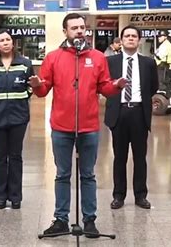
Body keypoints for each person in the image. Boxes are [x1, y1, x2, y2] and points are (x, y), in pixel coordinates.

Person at [29, 13, 126, 237]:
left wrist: (117, 86)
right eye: (74, 28)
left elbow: (105, 88)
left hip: (89, 127)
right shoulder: (53, 57)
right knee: (62, 174)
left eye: (82, 27)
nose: (80, 31)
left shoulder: (98, 57)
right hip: (61, 127)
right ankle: (61, 219)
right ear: (65, 32)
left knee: (88, 175)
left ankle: (89, 220)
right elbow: (43, 90)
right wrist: (36, 85)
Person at [104, 25, 159, 211]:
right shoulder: (110, 61)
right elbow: (105, 85)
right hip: (118, 112)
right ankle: (118, 195)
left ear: (139, 40)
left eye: (134, 36)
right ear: (121, 41)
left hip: (138, 112)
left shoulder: (148, 63)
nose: (130, 39)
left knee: (140, 157)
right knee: (119, 157)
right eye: (126, 36)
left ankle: (140, 195)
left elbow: (152, 87)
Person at [0, 29, 34, 210]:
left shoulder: (25, 64)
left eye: (8, 39)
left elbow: (30, 89)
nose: (5, 43)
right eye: (1, 40)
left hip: (19, 117)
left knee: (16, 156)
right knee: (0, 157)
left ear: (13, 42)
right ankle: (1, 196)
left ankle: (16, 196)